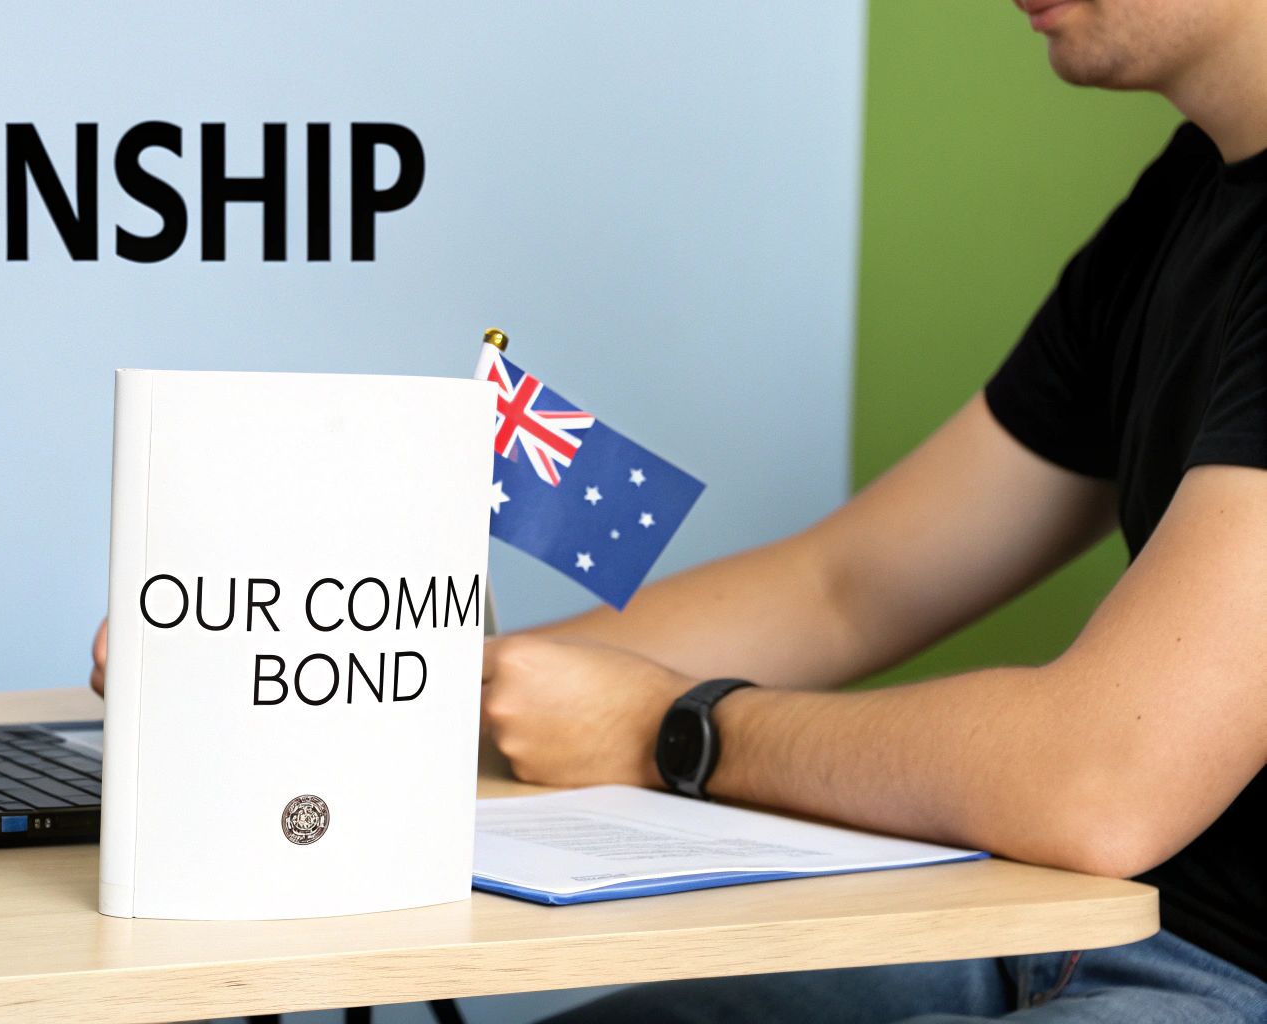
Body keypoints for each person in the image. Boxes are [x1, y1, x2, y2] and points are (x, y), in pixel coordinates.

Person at [92, 0, 1267, 1017]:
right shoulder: (1187, 198)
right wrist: (357, 669)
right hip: (1074, 930)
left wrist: (673, 732)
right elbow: (845, 585)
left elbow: (1100, 782)